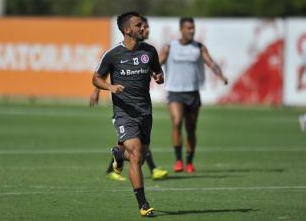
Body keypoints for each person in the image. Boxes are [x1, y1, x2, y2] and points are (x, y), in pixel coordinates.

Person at [92, 11, 164, 217]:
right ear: (127, 30)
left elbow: (158, 73)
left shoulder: (150, 51)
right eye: (139, 25)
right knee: (135, 154)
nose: (143, 28)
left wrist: (159, 77)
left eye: (143, 24)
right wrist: (110, 87)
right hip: (124, 113)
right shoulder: (113, 54)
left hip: (145, 112)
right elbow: (95, 78)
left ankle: (117, 153)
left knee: (138, 159)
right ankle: (143, 204)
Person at [159, 17, 228, 174]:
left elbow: (211, 63)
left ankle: (189, 162)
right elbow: (157, 63)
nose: (191, 31)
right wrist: (148, 73)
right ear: (181, 30)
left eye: (193, 28)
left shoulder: (199, 48)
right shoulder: (170, 47)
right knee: (177, 122)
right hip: (175, 92)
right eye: (188, 28)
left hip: (193, 92)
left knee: (191, 129)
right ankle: (178, 160)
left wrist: (221, 75)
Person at [89, 87, 168, 181]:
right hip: (124, 106)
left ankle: (112, 168)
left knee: (127, 144)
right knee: (136, 141)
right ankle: (153, 169)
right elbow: (100, 75)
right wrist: (96, 92)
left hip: (135, 104)